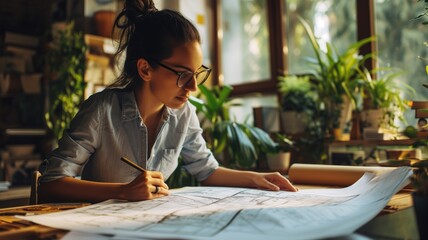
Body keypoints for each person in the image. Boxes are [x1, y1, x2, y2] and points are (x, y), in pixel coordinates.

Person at [39, 0, 298, 203]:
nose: (193, 87)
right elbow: (51, 184)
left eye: (197, 74)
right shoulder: (101, 110)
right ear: (145, 70)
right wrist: (124, 191)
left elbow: (206, 171)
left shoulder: (183, 114)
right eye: (183, 75)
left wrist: (258, 179)